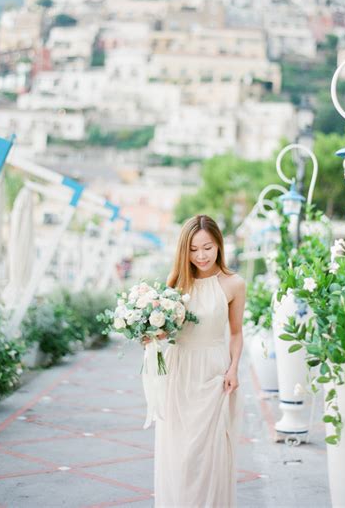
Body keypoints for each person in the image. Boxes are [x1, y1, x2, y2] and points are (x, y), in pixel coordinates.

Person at [153, 214, 246, 508]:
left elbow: (236, 332)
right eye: (193, 249)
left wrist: (233, 368)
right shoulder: (176, 283)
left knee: (211, 456)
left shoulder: (233, 284)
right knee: (179, 456)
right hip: (179, 373)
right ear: (185, 250)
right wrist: (150, 335)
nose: (201, 255)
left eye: (207, 247)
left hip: (213, 373)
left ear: (219, 244)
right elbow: (167, 332)